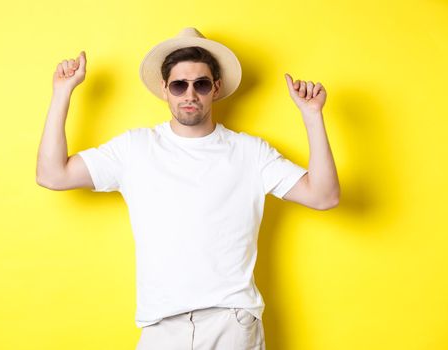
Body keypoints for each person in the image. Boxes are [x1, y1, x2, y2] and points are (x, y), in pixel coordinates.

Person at [36, 27, 340, 350]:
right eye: (179, 85)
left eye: (201, 84)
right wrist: (62, 93)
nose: (190, 95)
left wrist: (312, 117)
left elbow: (324, 195)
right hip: (161, 327)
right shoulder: (135, 149)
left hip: (231, 323)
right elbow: (52, 174)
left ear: (216, 88)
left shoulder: (250, 153)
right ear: (165, 89)